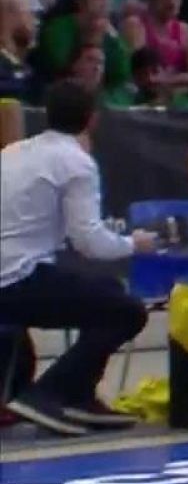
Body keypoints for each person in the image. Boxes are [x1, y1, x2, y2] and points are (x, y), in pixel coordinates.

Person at [0, 81, 159, 435]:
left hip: (14, 274)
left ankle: (80, 394)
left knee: (106, 289)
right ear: (93, 119)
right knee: (128, 310)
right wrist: (135, 244)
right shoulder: (76, 162)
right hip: (17, 281)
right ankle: (50, 392)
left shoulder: (12, 153)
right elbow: (90, 243)